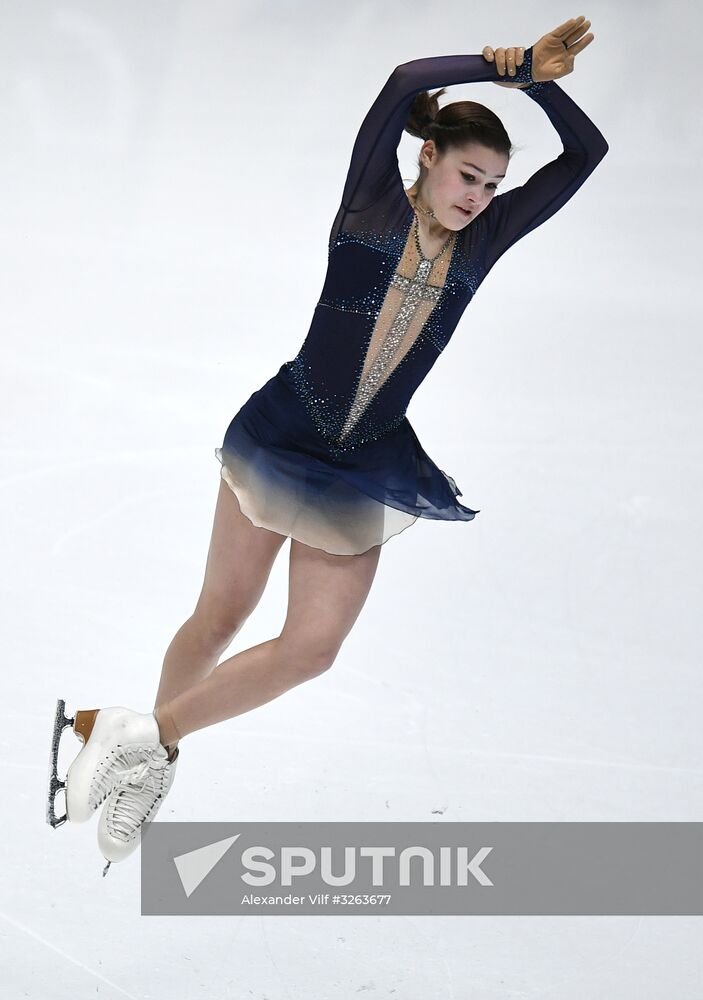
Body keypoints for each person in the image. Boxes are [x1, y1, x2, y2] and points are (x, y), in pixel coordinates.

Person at [46, 16, 608, 874]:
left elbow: (586, 154)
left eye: (493, 185)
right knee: (220, 617)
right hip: (283, 431)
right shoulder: (371, 202)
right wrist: (504, 66)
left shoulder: (485, 241)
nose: (478, 197)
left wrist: (538, 88)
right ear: (428, 159)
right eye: (468, 175)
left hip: (368, 458)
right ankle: (149, 766)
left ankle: (135, 737)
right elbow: (400, 81)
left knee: (311, 649)